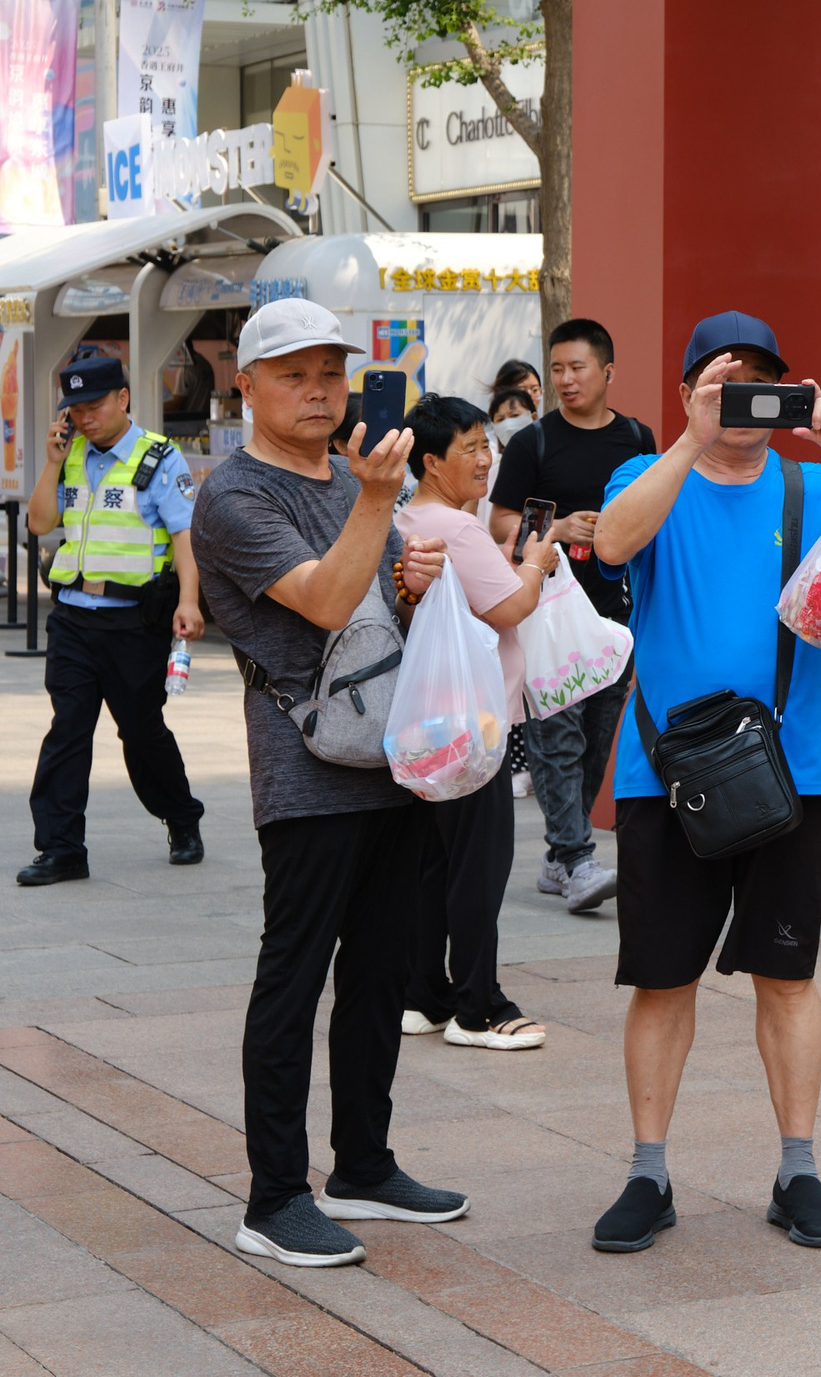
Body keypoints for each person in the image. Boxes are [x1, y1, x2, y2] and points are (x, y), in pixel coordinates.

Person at [587, 311, 821, 1255]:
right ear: (690, 389)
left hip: (792, 769)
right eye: (725, 382)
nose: (744, 400)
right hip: (667, 775)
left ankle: (798, 1168)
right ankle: (648, 1172)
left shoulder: (818, 485)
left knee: (788, 975)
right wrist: (690, 438)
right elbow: (612, 543)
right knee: (662, 979)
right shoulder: (647, 472)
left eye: (761, 382)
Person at [190, 297, 467, 1268]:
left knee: (382, 972)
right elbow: (323, 599)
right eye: (293, 374)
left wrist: (414, 579)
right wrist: (381, 508)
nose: (318, 391)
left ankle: (363, 1165)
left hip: (391, 759)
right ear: (247, 385)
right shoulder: (234, 497)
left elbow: (378, 605)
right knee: (295, 977)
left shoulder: (350, 477)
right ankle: (273, 1197)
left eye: (331, 372)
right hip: (306, 772)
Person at [394, 394, 558, 1050]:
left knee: (434, 864)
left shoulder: (406, 517)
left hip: (427, 722)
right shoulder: (457, 529)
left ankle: (423, 994)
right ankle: (478, 1007)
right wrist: (537, 562)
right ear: (431, 462)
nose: (486, 458)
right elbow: (512, 606)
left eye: (486, 445)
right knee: (478, 868)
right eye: (469, 448)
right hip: (475, 726)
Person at [17, 352, 208, 885]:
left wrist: (188, 602)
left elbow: (185, 536)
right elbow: (40, 522)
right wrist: (51, 462)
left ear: (123, 399)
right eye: (75, 409)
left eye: (94, 406)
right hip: (73, 618)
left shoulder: (158, 457)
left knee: (141, 731)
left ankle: (181, 816)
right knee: (68, 730)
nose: (84, 418)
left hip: (134, 624)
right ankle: (61, 849)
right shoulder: (70, 454)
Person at [489, 319, 656, 913]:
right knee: (555, 737)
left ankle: (561, 858)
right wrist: (555, 529)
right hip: (548, 616)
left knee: (594, 742)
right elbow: (500, 522)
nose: (565, 379)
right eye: (556, 368)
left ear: (607, 372)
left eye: (577, 368)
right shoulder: (533, 442)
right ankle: (578, 857)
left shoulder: (637, 438)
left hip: (614, 619)